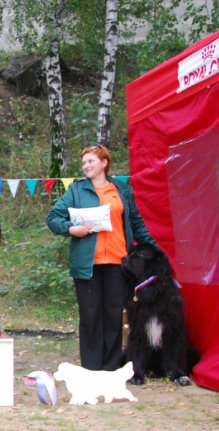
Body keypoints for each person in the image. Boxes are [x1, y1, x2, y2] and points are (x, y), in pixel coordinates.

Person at [46, 144, 156, 372]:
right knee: (90, 316)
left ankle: (111, 368)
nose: (86, 166)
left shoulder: (122, 189)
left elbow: (136, 223)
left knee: (113, 315)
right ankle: (91, 368)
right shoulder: (76, 191)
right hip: (88, 265)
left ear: (104, 163)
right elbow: (53, 218)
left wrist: (154, 250)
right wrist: (70, 229)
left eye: (91, 162)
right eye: (84, 162)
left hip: (118, 263)